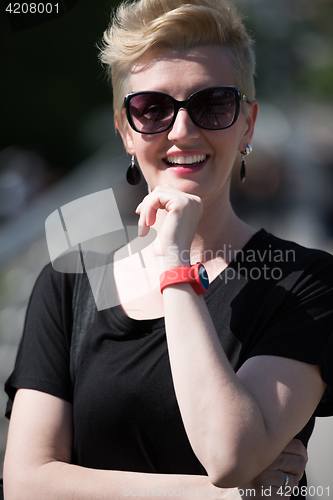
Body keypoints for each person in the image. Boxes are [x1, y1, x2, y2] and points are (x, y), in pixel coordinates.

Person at [3, 0, 333, 499]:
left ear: (247, 123)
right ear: (125, 131)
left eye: (213, 104)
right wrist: (223, 496)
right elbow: (26, 483)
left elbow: (229, 455)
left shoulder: (304, 282)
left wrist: (175, 264)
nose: (182, 130)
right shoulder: (69, 283)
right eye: (152, 109)